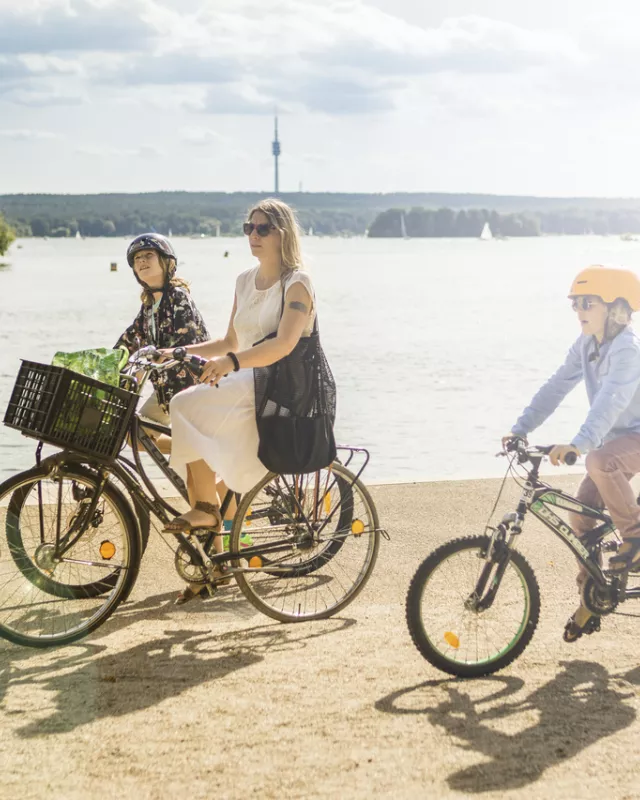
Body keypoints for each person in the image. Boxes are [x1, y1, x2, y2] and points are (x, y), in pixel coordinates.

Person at [161, 198, 316, 604]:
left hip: (276, 389)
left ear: (283, 233)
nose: (254, 235)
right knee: (205, 457)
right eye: (249, 227)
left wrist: (229, 363)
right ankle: (212, 562)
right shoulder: (245, 280)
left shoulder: (296, 284)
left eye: (263, 228)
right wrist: (178, 352)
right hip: (245, 381)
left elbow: (283, 345)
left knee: (183, 405)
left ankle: (205, 511)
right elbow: (230, 340)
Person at [503, 265, 640, 642]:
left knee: (600, 460)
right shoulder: (587, 345)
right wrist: (521, 427)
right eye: (575, 303)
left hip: (634, 437)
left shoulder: (628, 350)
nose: (579, 309)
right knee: (580, 518)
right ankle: (592, 598)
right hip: (616, 439)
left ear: (614, 308)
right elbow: (556, 386)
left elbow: (610, 402)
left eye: (587, 302)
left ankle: (636, 536)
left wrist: (579, 444)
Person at [115, 233, 210, 452]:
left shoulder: (177, 297)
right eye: (137, 258)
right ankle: (197, 450)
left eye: (148, 255)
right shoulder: (149, 305)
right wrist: (110, 361)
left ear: (167, 262)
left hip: (192, 386)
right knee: (136, 436)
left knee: (191, 459)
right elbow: (131, 339)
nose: (141, 261)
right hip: (166, 390)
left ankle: (204, 459)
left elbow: (187, 338)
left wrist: (157, 353)